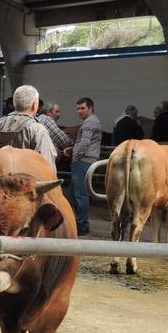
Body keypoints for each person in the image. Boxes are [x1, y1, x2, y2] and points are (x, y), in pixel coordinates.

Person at [0, 85, 57, 171]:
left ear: (15, 103)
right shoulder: (37, 130)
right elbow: (47, 166)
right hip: (26, 183)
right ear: (34, 105)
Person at [67, 96, 102, 235]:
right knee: (74, 193)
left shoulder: (89, 124)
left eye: (82, 108)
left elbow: (85, 143)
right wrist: (72, 148)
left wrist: (75, 157)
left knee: (80, 195)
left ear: (91, 108)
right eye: (77, 109)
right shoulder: (94, 121)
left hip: (83, 162)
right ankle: (80, 221)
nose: (79, 111)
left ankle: (82, 225)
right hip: (87, 161)